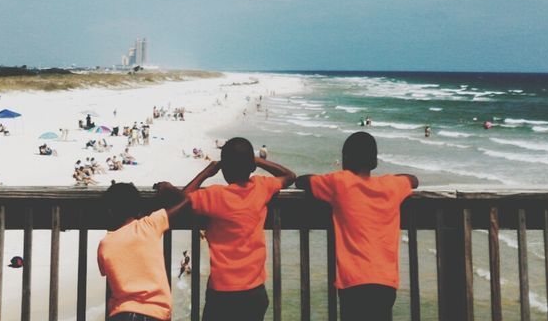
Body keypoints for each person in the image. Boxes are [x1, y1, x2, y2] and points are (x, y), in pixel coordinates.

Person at [156, 138, 295, 321]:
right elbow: (290, 176)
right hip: (255, 291)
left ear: (224, 169)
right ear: (251, 167)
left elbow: (183, 201)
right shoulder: (261, 186)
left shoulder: (215, 195)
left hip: (222, 291)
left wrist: (206, 172)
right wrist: (257, 161)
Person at [296, 132, 419, 321]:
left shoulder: (340, 182)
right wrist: (390, 178)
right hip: (386, 281)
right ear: (375, 161)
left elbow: (303, 181)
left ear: (346, 159)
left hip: (353, 281)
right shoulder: (391, 185)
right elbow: (413, 180)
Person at [97, 182, 189, 320]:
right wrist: (169, 188)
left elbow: (106, 272)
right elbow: (186, 200)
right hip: (154, 313)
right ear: (138, 210)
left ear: (109, 211)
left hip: (120, 313)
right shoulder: (149, 225)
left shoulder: (105, 244)